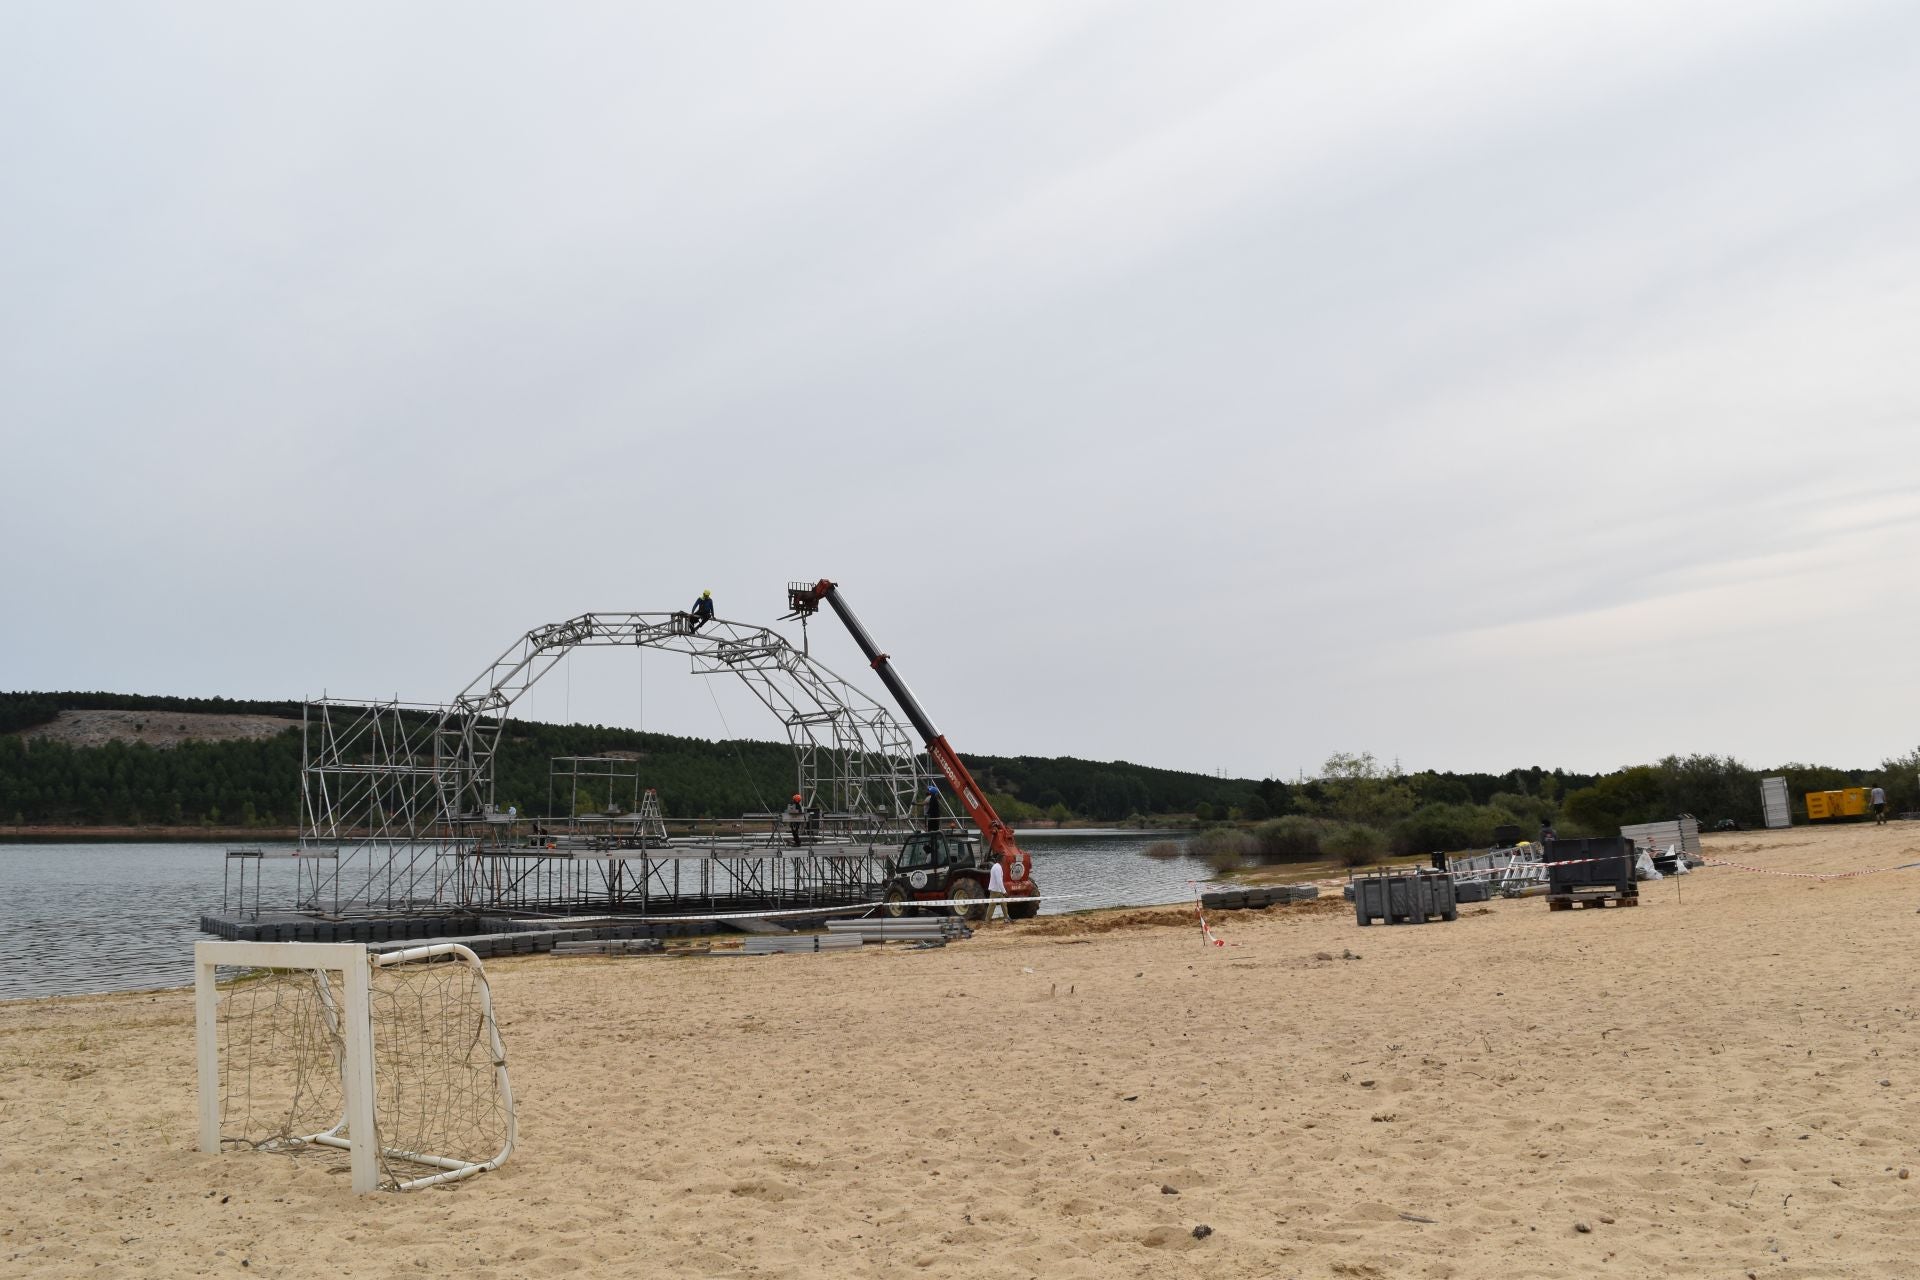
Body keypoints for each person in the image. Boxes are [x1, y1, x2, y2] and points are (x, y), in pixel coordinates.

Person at [984, 856, 1010, 925]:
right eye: (1004, 860)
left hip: (997, 889)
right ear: (1001, 860)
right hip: (995, 890)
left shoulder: (996, 867)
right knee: (992, 905)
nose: (1005, 861)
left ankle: (1006, 918)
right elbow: (999, 881)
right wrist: (1004, 892)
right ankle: (987, 921)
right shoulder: (998, 868)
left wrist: (1002, 891)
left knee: (1004, 903)